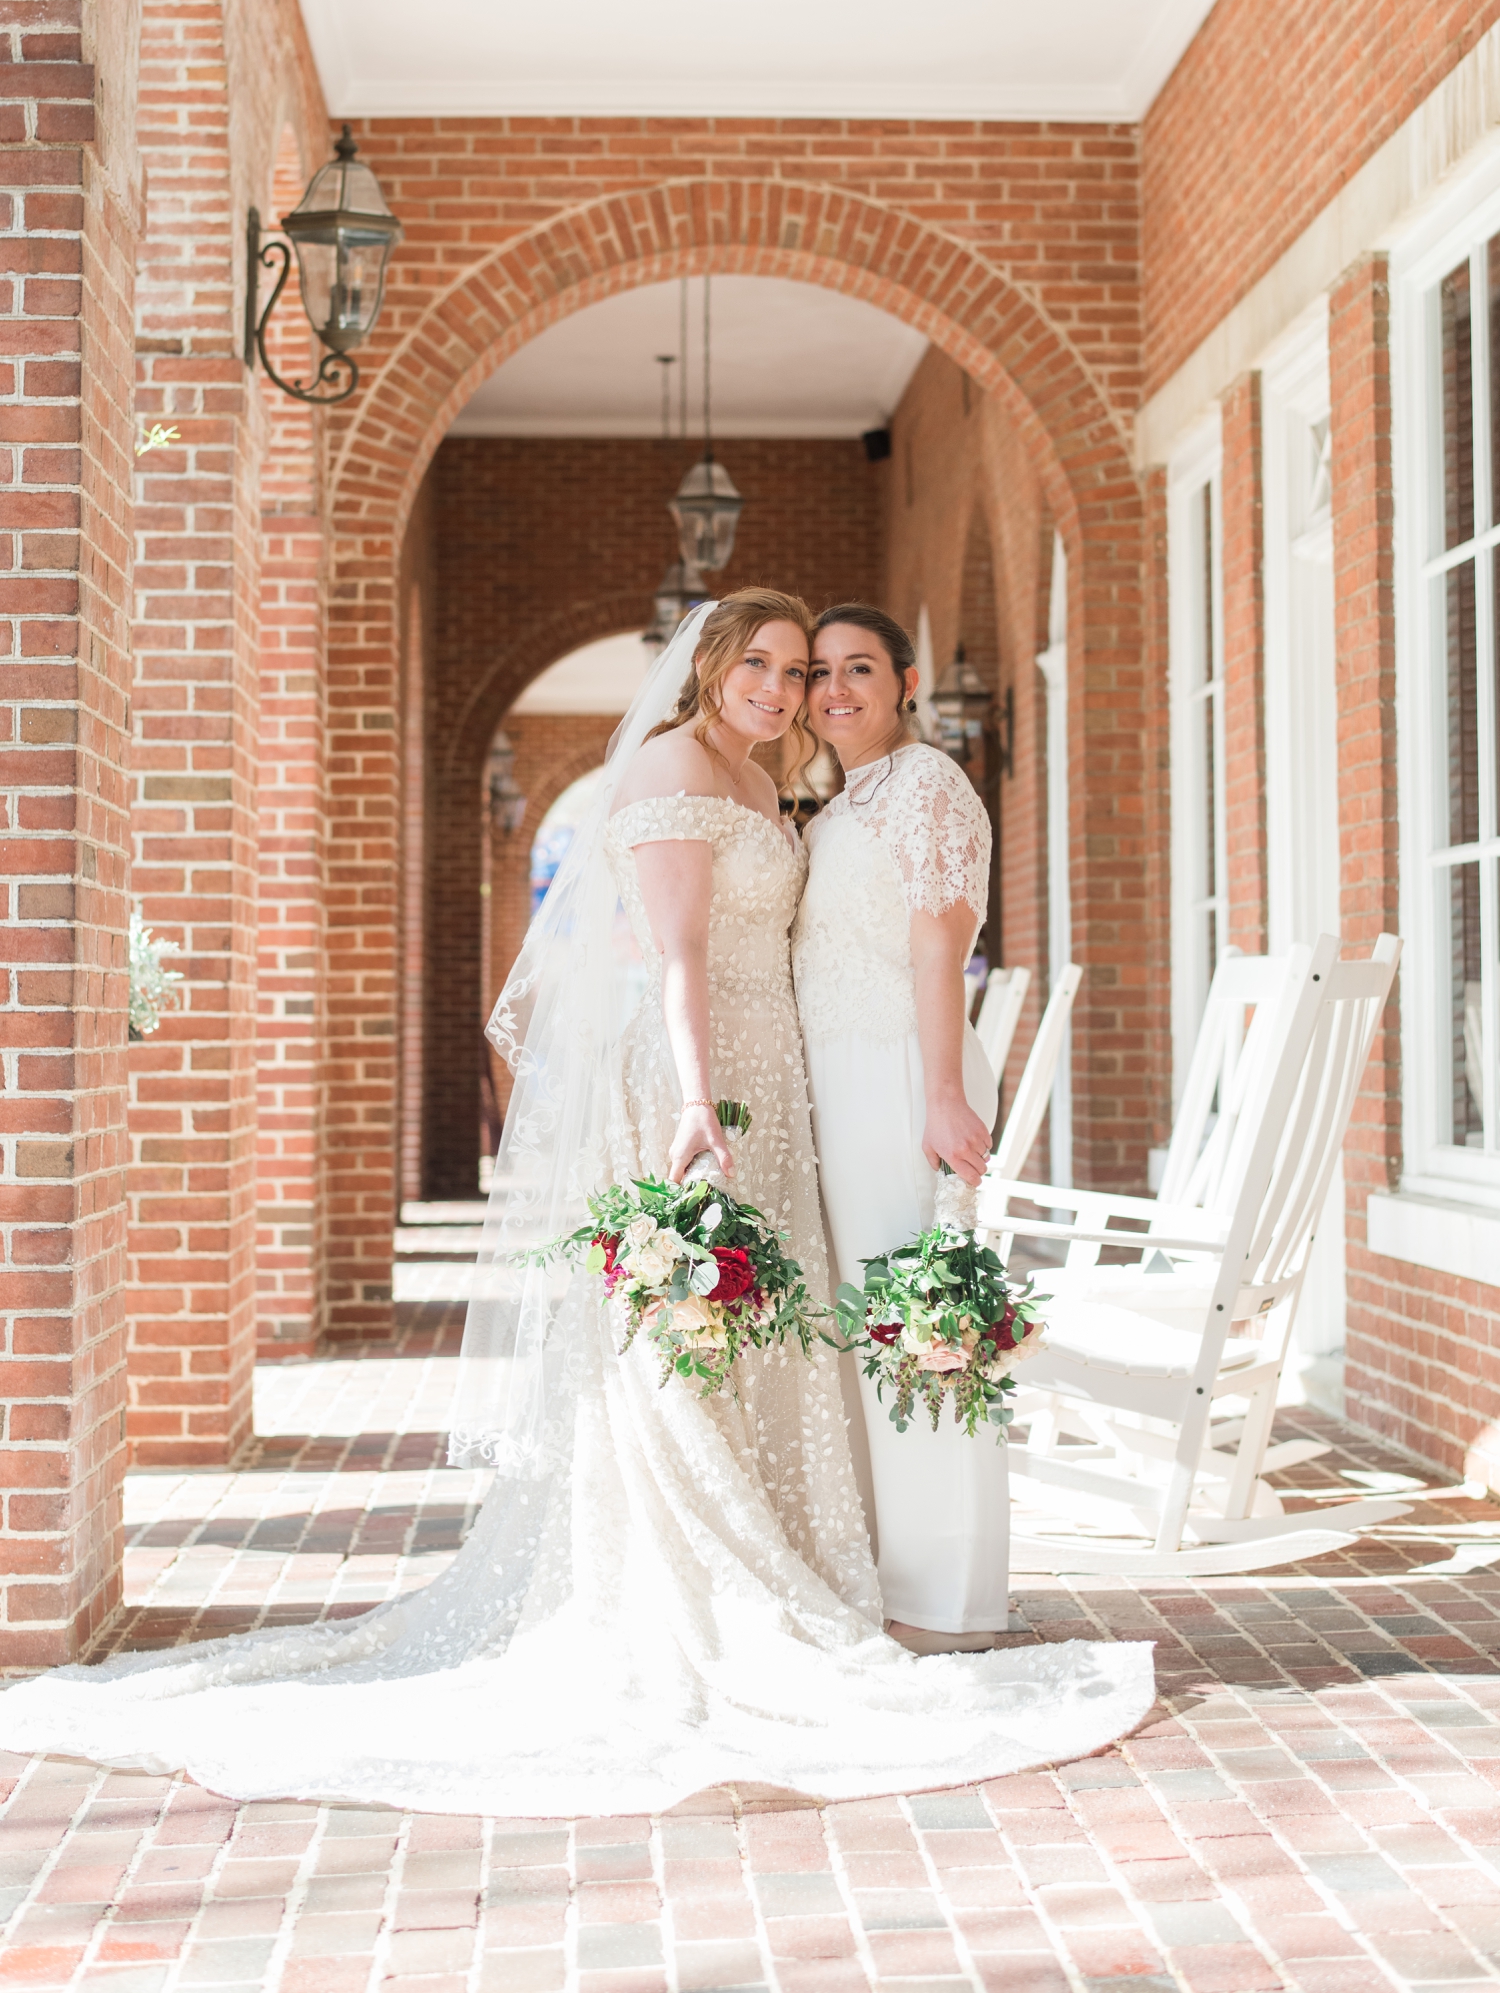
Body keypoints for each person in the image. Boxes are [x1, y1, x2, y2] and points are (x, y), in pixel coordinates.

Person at [0, 591, 1150, 1816]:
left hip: (793, 1072)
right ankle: (698, 1576)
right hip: (708, 1078)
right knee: (701, 1332)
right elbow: (679, 959)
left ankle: (838, 1565)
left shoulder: (783, 784)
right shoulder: (677, 766)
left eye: (803, 667)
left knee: (781, 1317)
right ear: (703, 667)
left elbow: (885, 937)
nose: (784, 687)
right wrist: (701, 1100)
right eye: (763, 665)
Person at [794, 603, 1010, 1644]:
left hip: (899, 1075)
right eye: (820, 672)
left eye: (859, 668)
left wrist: (940, 1093)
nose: (836, 688)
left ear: (908, 681)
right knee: (862, 1329)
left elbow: (938, 950)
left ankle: (946, 1586)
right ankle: (888, 1566)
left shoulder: (926, 786)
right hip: (843, 1085)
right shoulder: (838, 809)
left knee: (911, 1325)